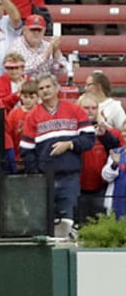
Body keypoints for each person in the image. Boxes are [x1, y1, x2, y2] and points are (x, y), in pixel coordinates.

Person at [22, 73, 96, 236]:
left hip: (69, 176)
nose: (45, 91)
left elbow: (89, 139)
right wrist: (37, 173)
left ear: (57, 88)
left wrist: (70, 144)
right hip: (45, 179)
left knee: (68, 221)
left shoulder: (74, 109)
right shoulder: (32, 116)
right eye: (41, 88)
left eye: (48, 86)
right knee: (45, 223)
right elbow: (26, 151)